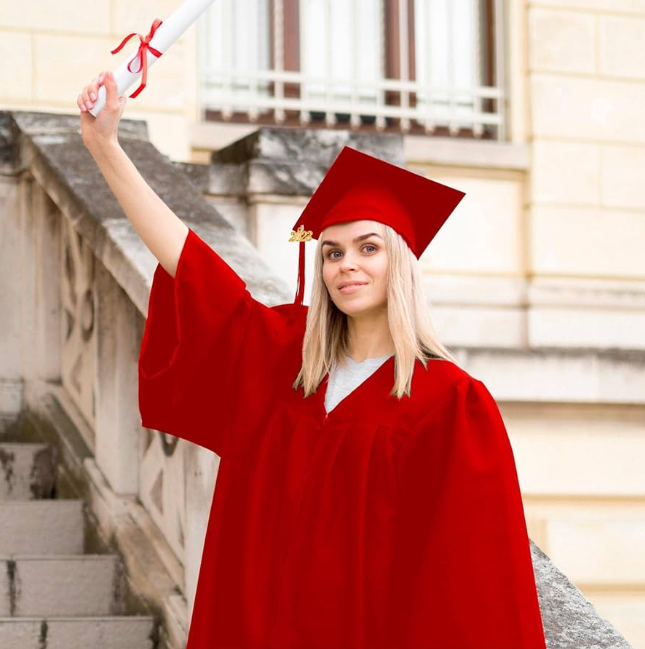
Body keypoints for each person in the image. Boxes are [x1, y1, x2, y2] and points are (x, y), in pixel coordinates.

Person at [78, 72, 547, 649]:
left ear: (399, 262)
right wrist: (106, 146)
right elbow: (192, 266)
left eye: (367, 248)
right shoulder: (283, 358)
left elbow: (470, 585)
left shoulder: (449, 403)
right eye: (332, 252)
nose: (346, 264)